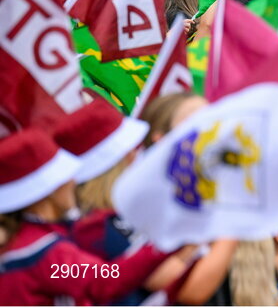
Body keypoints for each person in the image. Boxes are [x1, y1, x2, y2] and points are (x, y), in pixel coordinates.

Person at [0, 131, 177, 305]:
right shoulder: (45, 252)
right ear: (49, 190)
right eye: (64, 175)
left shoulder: (24, 241)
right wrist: (164, 243)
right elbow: (104, 281)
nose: (73, 180)